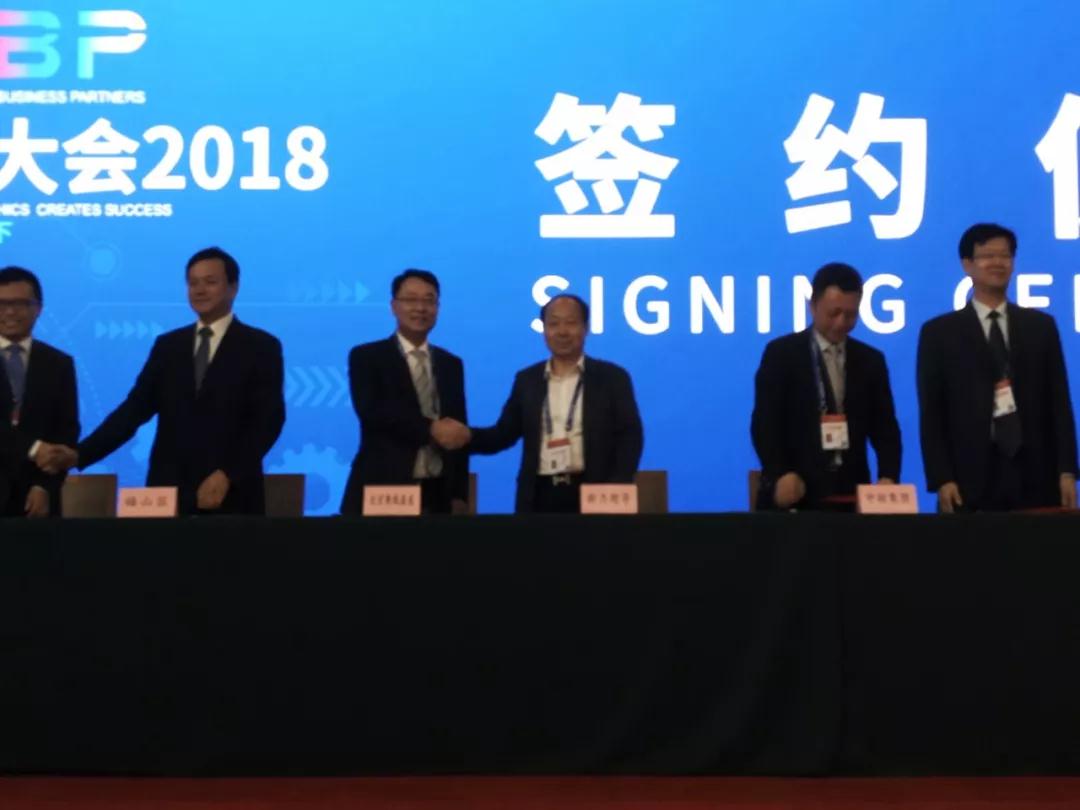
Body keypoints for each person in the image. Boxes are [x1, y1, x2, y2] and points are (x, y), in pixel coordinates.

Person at [37, 247, 285, 515]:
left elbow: (268, 421)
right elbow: (133, 410)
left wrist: (228, 473)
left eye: (210, 282)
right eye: (193, 283)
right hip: (169, 493)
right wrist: (80, 453)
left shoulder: (261, 346)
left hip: (232, 495)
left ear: (233, 287)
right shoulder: (168, 346)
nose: (200, 290)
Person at [917, 223, 1077, 512]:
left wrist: (1067, 470)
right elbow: (932, 414)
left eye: (1005, 255)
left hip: (1036, 474)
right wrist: (942, 478)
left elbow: (1059, 403)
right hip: (968, 477)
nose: (998, 263)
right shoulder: (939, 333)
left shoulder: (1041, 327)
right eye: (987, 256)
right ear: (967, 264)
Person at [437, 294, 642, 513]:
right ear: (544, 330)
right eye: (554, 323)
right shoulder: (527, 380)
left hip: (594, 492)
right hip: (539, 494)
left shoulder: (612, 378)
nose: (562, 331)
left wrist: (618, 484)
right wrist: (467, 436)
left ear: (586, 328)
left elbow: (630, 435)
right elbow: (503, 434)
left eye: (571, 322)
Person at [751, 262, 901, 510]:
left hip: (851, 495)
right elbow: (765, 424)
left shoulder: (871, 360)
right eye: (834, 313)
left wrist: (888, 476)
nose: (841, 322)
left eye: (851, 314)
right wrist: (780, 473)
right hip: (796, 491)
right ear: (812, 306)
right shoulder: (781, 354)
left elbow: (886, 427)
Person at [339, 269, 468, 515]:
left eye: (429, 300)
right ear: (394, 306)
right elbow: (373, 412)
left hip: (438, 490)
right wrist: (431, 428)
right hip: (387, 487)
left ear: (437, 308)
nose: (420, 308)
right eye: (410, 299)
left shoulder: (451, 364)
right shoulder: (367, 357)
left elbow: (456, 427)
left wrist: (459, 494)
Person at [0, 266, 79, 517]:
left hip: (37, 505)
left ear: (38, 308)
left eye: (20, 304)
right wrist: (33, 448)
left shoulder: (59, 363)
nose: (10, 312)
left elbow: (66, 430)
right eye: (2, 304)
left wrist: (44, 486)